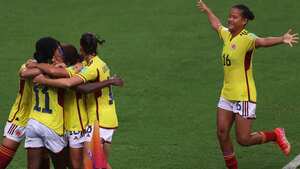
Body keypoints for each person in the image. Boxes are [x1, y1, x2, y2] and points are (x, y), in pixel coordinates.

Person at [197, 1, 298, 169]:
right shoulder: (227, 34)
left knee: (243, 139)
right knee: (222, 133)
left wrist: (282, 39)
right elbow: (217, 25)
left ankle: (275, 134)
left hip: (244, 95)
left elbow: (263, 41)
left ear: (244, 21)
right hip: (227, 94)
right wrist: (207, 10)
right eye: (230, 16)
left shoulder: (247, 39)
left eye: (234, 17)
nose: (230, 19)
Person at [33, 33, 123, 169]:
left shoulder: (91, 67)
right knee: (98, 163)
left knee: (91, 164)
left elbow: (73, 85)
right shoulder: (94, 63)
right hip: (104, 118)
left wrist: (45, 80)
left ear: (82, 48)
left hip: (99, 119)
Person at [21, 37, 68, 169]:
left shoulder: (29, 68)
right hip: (53, 124)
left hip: (34, 122)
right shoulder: (59, 70)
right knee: (60, 166)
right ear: (52, 52)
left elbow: (23, 73)